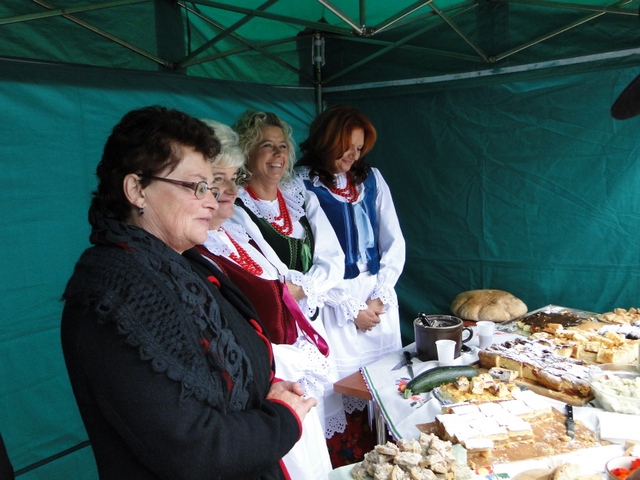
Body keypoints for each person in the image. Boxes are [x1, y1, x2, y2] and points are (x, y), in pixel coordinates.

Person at [60, 105, 314, 480]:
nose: (211, 200)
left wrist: (267, 387)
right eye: (197, 187)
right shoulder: (111, 296)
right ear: (137, 190)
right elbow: (194, 450)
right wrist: (282, 417)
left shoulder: (181, 265)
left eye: (211, 187)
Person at [185, 119, 334, 480]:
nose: (229, 190)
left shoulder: (236, 232)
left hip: (288, 385)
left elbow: (282, 287)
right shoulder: (196, 252)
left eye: (232, 179)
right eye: (216, 180)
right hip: (265, 396)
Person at [297, 104, 406, 382]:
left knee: (384, 384)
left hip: (377, 295)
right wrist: (350, 307)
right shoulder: (300, 184)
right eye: (347, 147)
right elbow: (306, 258)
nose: (353, 156)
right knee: (343, 386)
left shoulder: (372, 179)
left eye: (358, 148)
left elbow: (394, 241)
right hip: (334, 302)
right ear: (326, 140)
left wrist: (380, 296)